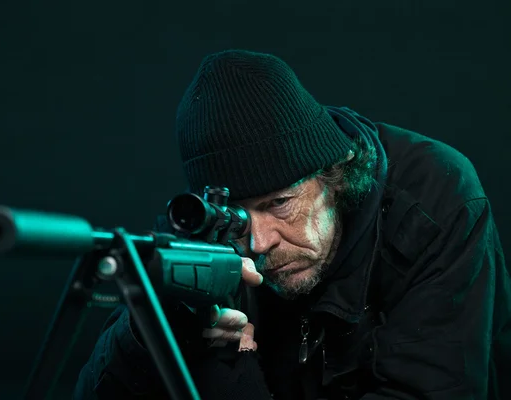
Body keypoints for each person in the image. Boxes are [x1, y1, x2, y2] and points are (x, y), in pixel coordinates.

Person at [73, 50, 510, 399]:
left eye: (280, 203)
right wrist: (159, 331)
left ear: (334, 176)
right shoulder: (217, 244)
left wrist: (230, 380)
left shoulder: (434, 199)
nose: (259, 244)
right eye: (239, 218)